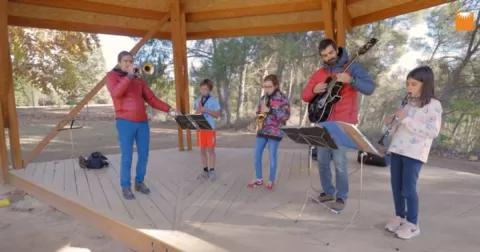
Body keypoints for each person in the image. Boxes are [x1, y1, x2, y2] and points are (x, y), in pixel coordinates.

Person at [301, 38, 375, 211]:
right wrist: (314, 90)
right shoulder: (320, 72)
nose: (328, 57)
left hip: (342, 124)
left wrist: (351, 81)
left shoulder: (352, 67)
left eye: (331, 53)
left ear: (337, 50)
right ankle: (328, 191)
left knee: (340, 162)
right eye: (324, 55)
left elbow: (370, 88)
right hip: (322, 122)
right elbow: (305, 96)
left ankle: (341, 197)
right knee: (323, 161)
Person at [106, 51, 178, 200]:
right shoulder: (112, 76)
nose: (129, 63)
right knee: (127, 157)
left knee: (144, 155)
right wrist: (129, 76)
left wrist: (169, 109)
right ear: (119, 62)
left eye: (131, 61)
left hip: (142, 123)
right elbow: (116, 93)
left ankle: (139, 182)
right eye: (125, 61)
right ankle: (125, 186)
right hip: (125, 122)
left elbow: (152, 99)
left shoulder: (139, 81)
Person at [384, 66, 442, 240]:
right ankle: (400, 217)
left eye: (413, 84)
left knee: (408, 188)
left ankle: (413, 223)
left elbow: (432, 131)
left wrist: (406, 119)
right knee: (396, 186)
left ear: (425, 85)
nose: (409, 87)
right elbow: (401, 127)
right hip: (397, 149)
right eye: (407, 84)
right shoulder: (409, 102)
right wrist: (393, 122)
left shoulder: (434, 105)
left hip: (415, 153)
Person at [248, 74, 291, 190]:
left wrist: (270, 110)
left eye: (269, 86)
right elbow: (259, 111)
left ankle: (271, 180)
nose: (266, 89)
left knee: (272, 157)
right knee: (256, 155)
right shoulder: (263, 98)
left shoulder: (283, 98)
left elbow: (286, 116)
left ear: (276, 85)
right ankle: (259, 179)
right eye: (264, 87)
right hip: (262, 130)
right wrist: (258, 116)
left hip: (275, 132)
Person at [193, 79, 221, 181]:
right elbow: (195, 114)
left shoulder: (214, 101)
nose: (203, 91)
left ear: (210, 90)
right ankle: (205, 171)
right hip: (200, 129)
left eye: (206, 89)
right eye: (202, 89)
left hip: (210, 129)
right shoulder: (197, 100)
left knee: (211, 151)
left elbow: (217, 115)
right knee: (202, 150)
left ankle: (212, 171)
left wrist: (206, 110)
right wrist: (199, 111)